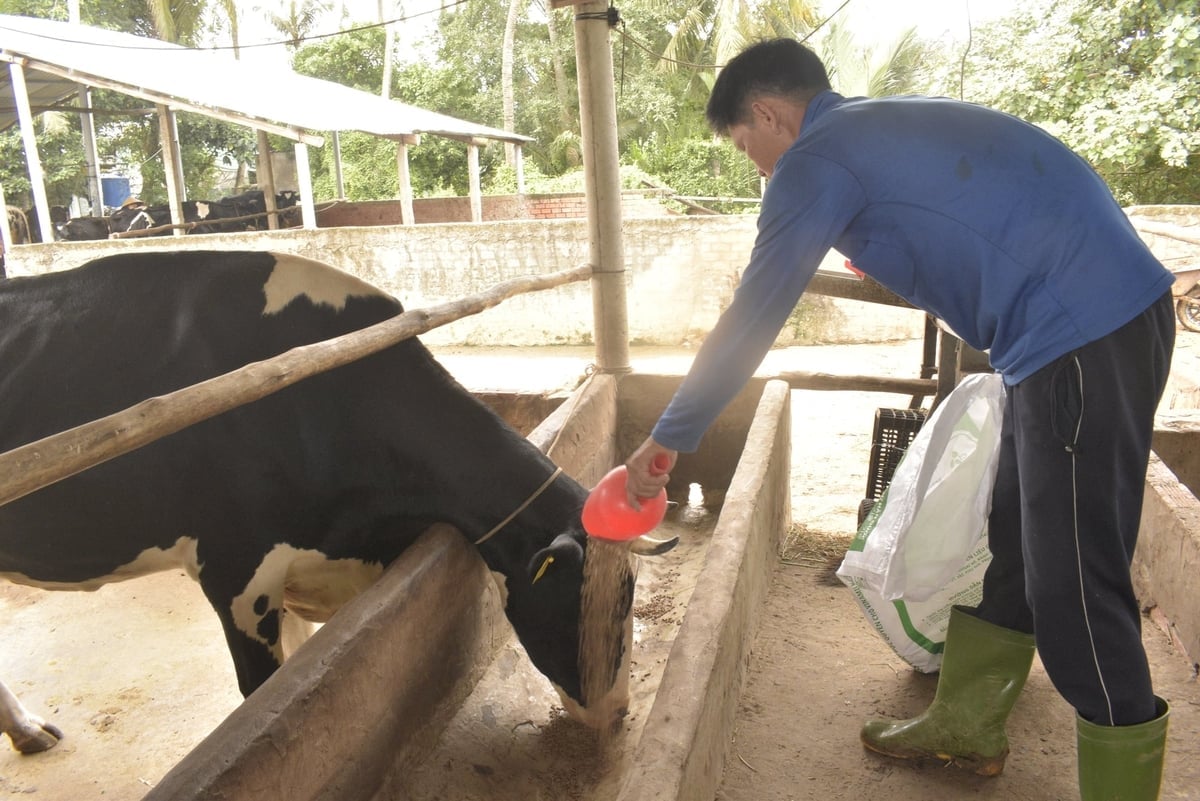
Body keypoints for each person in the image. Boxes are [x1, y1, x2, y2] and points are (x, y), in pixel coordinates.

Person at [622, 37, 1174, 801]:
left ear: (768, 113)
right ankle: (968, 723)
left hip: (1076, 340)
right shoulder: (872, 131)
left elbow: (753, 315)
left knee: (1077, 585)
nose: (758, 168)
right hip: (1081, 331)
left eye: (749, 146)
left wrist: (669, 435)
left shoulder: (816, 159)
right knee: (1013, 534)